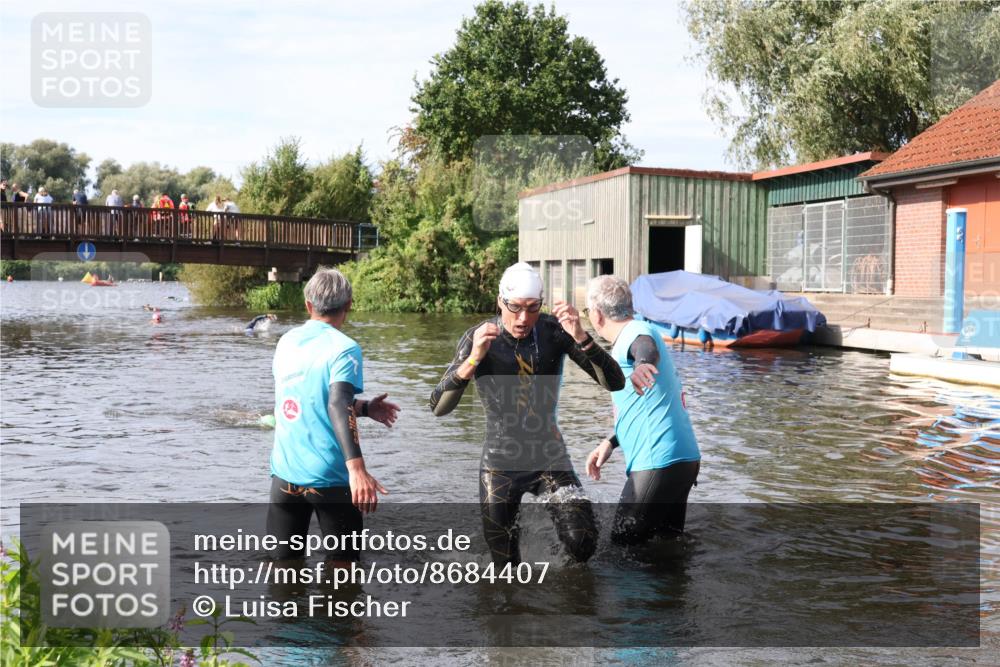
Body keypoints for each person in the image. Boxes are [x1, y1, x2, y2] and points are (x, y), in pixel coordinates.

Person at [430, 262, 625, 566]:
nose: (523, 318)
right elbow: (438, 407)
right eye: (516, 308)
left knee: (583, 543)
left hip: (549, 456)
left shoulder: (554, 331)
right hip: (500, 465)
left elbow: (615, 382)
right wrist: (473, 360)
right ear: (500, 302)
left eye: (533, 308)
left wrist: (581, 336)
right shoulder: (479, 337)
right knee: (506, 568)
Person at [268, 268, 400, 565]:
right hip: (331, 479)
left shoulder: (286, 341)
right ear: (349, 305)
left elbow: (315, 400)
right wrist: (357, 470)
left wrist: (364, 408)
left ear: (308, 305)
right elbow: (337, 403)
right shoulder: (345, 349)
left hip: (285, 477)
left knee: (283, 574)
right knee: (343, 576)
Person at [583, 275, 701, 546]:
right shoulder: (638, 331)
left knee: (622, 549)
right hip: (683, 460)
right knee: (666, 549)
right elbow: (643, 408)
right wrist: (612, 442)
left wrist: (642, 364)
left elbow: (643, 348)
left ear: (597, 315)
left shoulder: (635, 333)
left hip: (657, 463)